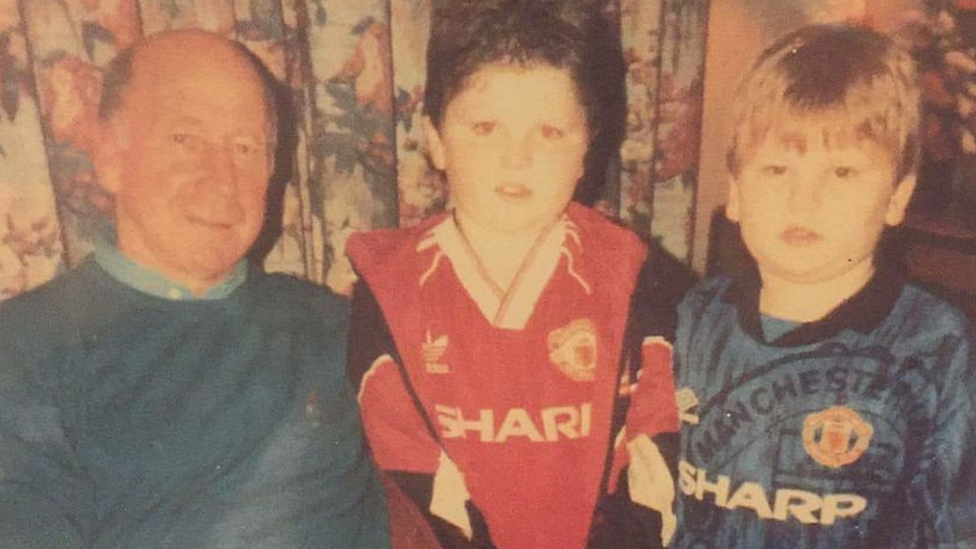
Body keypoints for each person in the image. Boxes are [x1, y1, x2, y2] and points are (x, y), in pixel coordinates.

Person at [0, 30, 389, 549]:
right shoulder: (24, 349)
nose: (222, 178)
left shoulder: (334, 323)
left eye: (246, 147)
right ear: (110, 156)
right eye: (186, 139)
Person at [345, 1, 694, 548]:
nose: (517, 157)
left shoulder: (638, 279)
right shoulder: (388, 291)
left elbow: (657, 453)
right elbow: (409, 480)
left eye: (550, 132)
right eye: (485, 127)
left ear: (587, 149)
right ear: (436, 138)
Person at [672, 24, 976, 549]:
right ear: (737, 193)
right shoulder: (693, 319)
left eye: (841, 172)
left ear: (897, 198)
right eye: (776, 169)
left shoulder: (936, 347)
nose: (803, 198)